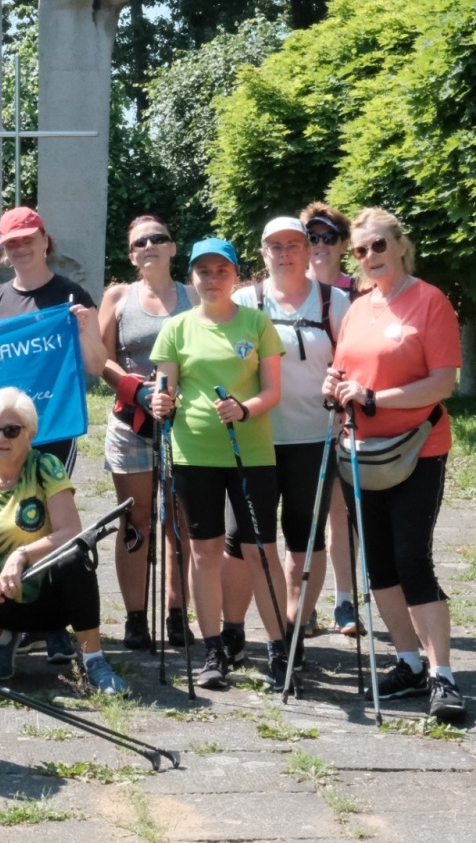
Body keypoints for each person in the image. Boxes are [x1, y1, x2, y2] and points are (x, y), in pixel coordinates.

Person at [323, 208, 465, 722]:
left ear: (402, 245)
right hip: (361, 452)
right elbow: (344, 367)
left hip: (416, 450)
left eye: (378, 246)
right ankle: (408, 662)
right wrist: (334, 385)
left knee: (412, 559)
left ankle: (442, 674)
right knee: (378, 564)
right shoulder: (360, 307)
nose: (369, 257)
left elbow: (441, 383)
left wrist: (374, 397)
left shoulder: (430, 302)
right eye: (359, 250)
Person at [0, 206, 109, 664]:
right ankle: (10, 623)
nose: (20, 247)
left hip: (54, 429)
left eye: (28, 238)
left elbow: (94, 363)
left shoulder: (71, 294)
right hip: (5, 432)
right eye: (11, 243)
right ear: (4, 252)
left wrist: (86, 327)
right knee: (6, 520)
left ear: (45, 240)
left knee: (47, 522)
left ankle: (52, 624)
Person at [149, 237, 288, 691]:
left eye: (221, 271)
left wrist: (244, 409)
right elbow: (164, 387)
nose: (212, 279)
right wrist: (160, 402)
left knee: (260, 551)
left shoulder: (257, 322)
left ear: (235, 276)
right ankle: (212, 651)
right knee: (204, 552)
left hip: (251, 454)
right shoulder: (178, 328)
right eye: (203, 272)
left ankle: (279, 648)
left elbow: (272, 391)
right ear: (191, 277)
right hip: (194, 455)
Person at [0, 388, 132, 696]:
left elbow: (71, 531)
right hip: (3, 598)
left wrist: (21, 555)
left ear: (30, 433)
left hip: (51, 597)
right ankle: (3, 641)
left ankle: (94, 660)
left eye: (11, 430)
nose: (0, 438)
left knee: (74, 559)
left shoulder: (46, 467)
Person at [233, 218, 348, 662]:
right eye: (275, 246)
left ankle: (295, 629)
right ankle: (255, 630)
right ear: (262, 253)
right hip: (255, 438)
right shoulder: (246, 300)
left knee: (305, 541)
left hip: (314, 438)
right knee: (250, 542)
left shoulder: (333, 301)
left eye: (294, 245)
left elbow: (353, 359)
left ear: (307, 251)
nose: (285, 253)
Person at [97, 214, 196, 651]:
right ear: (131, 253)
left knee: (181, 524)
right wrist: (136, 392)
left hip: (187, 426)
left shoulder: (195, 296)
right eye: (140, 242)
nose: (150, 245)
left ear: (173, 248)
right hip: (131, 424)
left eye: (159, 238)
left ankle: (177, 614)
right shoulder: (119, 296)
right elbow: (100, 359)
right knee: (135, 520)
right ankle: (136, 618)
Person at [302, 201, 362, 638]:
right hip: (290, 418)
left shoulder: (358, 294)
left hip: (340, 416)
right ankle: (302, 604)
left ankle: (345, 601)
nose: (319, 245)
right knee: (302, 514)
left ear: (343, 245)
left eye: (329, 238)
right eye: (312, 237)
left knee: (340, 510)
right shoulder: (284, 290)